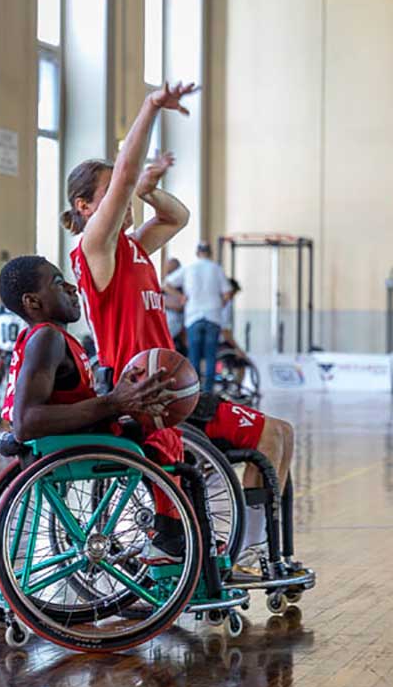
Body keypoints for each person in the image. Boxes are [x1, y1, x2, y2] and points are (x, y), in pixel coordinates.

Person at [63, 81, 294, 570]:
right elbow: (126, 174)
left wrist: (149, 190)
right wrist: (149, 107)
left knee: (280, 434)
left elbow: (178, 215)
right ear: (85, 207)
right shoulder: (95, 250)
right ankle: (237, 550)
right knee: (269, 435)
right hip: (142, 393)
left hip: (171, 386)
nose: (122, 200)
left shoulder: (133, 248)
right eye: (108, 196)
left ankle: (247, 547)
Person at [0, 254, 182, 565]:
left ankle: (175, 537)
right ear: (32, 302)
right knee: (168, 446)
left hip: (64, 443)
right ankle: (174, 540)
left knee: (157, 429)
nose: (73, 287)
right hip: (62, 448)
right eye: (58, 283)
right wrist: (114, 402)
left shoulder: (52, 338)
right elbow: (26, 422)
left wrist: (119, 399)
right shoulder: (46, 339)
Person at [164, 242, 231, 393]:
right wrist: (220, 304)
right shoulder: (217, 269)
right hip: (213, 316)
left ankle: (194, 393)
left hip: (193, 316)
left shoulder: (189, 268)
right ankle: (208, 393)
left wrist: (181, 297)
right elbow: (227, 293)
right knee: (210, 357)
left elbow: (166, 284)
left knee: (194, 356)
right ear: (210, 253)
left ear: (197, 252)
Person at [218, 278, 249, 391]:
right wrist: (238, 349)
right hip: (220, 342)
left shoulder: (215, 302)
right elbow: (225, 332)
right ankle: (237, 390)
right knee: (242, 363)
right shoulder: (226, 305)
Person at [162, 257, 187, 356]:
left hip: (178, 324)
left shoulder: (182, 287)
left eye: (172, 270)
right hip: (166, 322)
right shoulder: (164, 286)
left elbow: (179, 306)